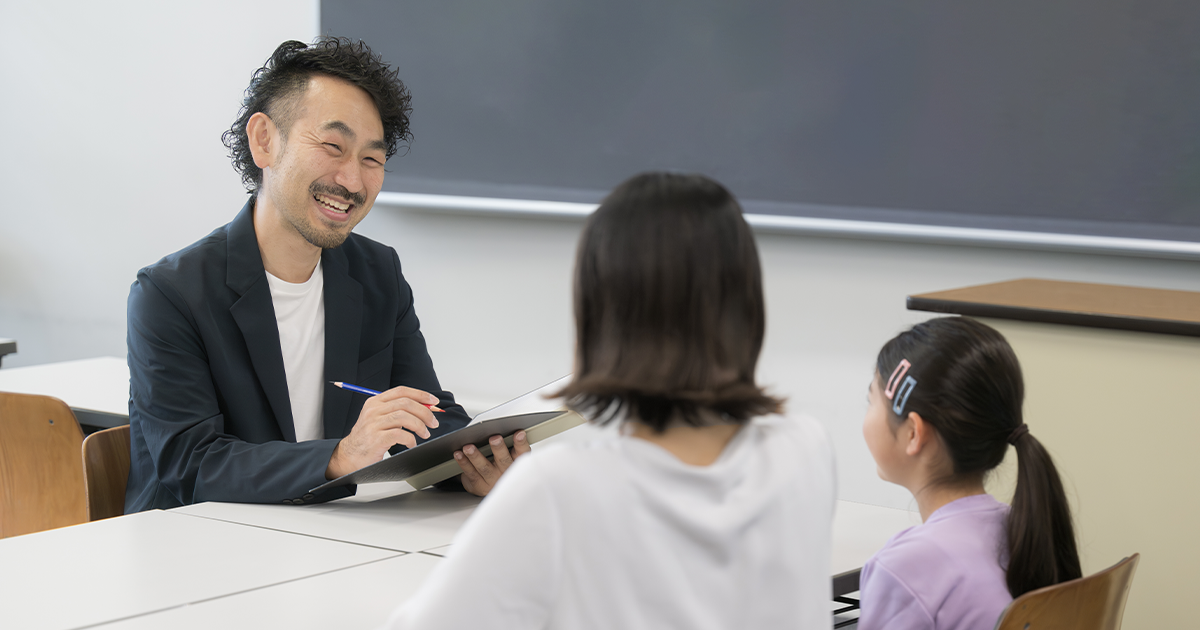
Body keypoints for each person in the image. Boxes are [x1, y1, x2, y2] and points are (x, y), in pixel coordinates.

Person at [381, 172, 837, 629]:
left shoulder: (557, 488)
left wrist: (523, 510)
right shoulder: (804, 447)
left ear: (599, 309)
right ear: (745, 302)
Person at [125, 37, 526, 512]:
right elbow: (192, 464)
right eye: (333, 146)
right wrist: (341, 456)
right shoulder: (170, 293)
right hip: (197, 549)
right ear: (264, 141)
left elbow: (427, 413)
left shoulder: (378, 274)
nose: (352, 181)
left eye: (372, 159)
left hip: (324, 535)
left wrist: (473, 465)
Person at [857, 317, 1082, 629]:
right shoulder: (1025, 533)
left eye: (870, 401)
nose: (866, 415)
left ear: (913, 433)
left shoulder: (902, 569)